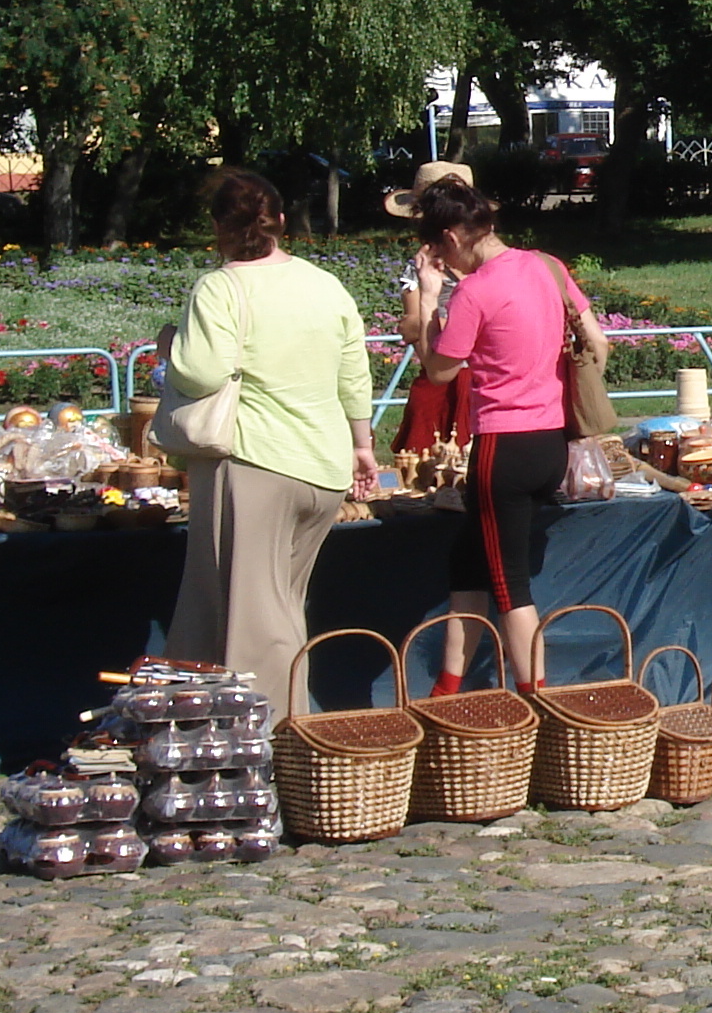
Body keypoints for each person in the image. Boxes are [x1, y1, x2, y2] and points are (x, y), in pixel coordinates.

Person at [162, 170, 379, 704]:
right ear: (282, 221)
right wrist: (362, 446)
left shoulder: (220, 286)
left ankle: (265, 748)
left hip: (254, 465)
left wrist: (170, 343)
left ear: (217, 227)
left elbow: (201, 373)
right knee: (280, 607)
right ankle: (243, 733)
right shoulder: (326, 285)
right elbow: (354, 375)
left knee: (257, 624)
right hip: (323, 469)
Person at [407, 181, 609, 692]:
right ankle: (447, 691)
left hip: (505, 446)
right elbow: (598, 342)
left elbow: (438, 371)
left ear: (451, 237)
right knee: (468, 564)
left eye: (435, 247)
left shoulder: (475, 290)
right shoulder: (546, 265)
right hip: (549, 440)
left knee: (509, 588)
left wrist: (432, 299)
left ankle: (537, 702)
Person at [384, 161, 471, 453]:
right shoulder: (417, 268)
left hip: (485, 378)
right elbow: (411, 326)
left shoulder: (487, 264)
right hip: (442, 373)